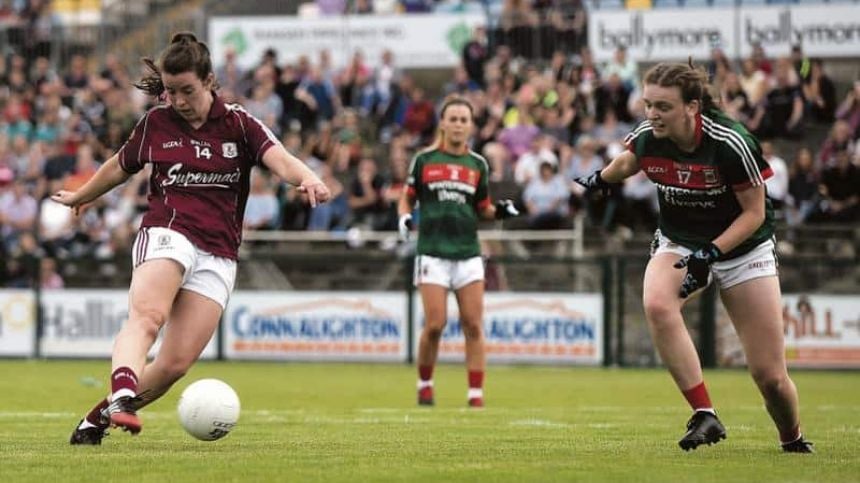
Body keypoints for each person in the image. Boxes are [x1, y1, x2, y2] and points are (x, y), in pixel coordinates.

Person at [58, 32, 330, 445]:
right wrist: (83, 195)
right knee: (147, 317)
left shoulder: (239, 123)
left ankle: (100, 415)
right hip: (168, 230)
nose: (178, 101)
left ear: (209, 81)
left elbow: (279, 158)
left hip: (219, 251)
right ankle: (124, 392)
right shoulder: (157, 122)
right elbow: (120, 165)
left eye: (186, 90)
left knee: (174, 364)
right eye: (170, 91)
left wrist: (307, 177)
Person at [576, 62, 812, 453]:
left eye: (663, 107)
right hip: (680, 240)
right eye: (648, 104)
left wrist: (714, 251)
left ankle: (793, 439)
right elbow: (629, 161)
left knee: (770, 378)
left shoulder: (731, 143)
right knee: (657, 302)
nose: (652, 114)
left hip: (743, 248)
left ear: (692, 107)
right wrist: (601, 179)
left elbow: (754, 213)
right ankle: (704, 412)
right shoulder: (650, 136)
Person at [397, 96, 519, 408]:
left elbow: (483, 209)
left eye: (464, 120)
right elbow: (407, 197)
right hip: (433, 252)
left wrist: (501, 211)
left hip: (468, 252)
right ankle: (425, 384)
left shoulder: (477, 164)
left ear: (471, 126)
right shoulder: (424, 161)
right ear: (442, 123)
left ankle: (475, 395)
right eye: (453, 118)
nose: (458, 124)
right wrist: (404, 217)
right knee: (435, 324)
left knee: (474, 325)